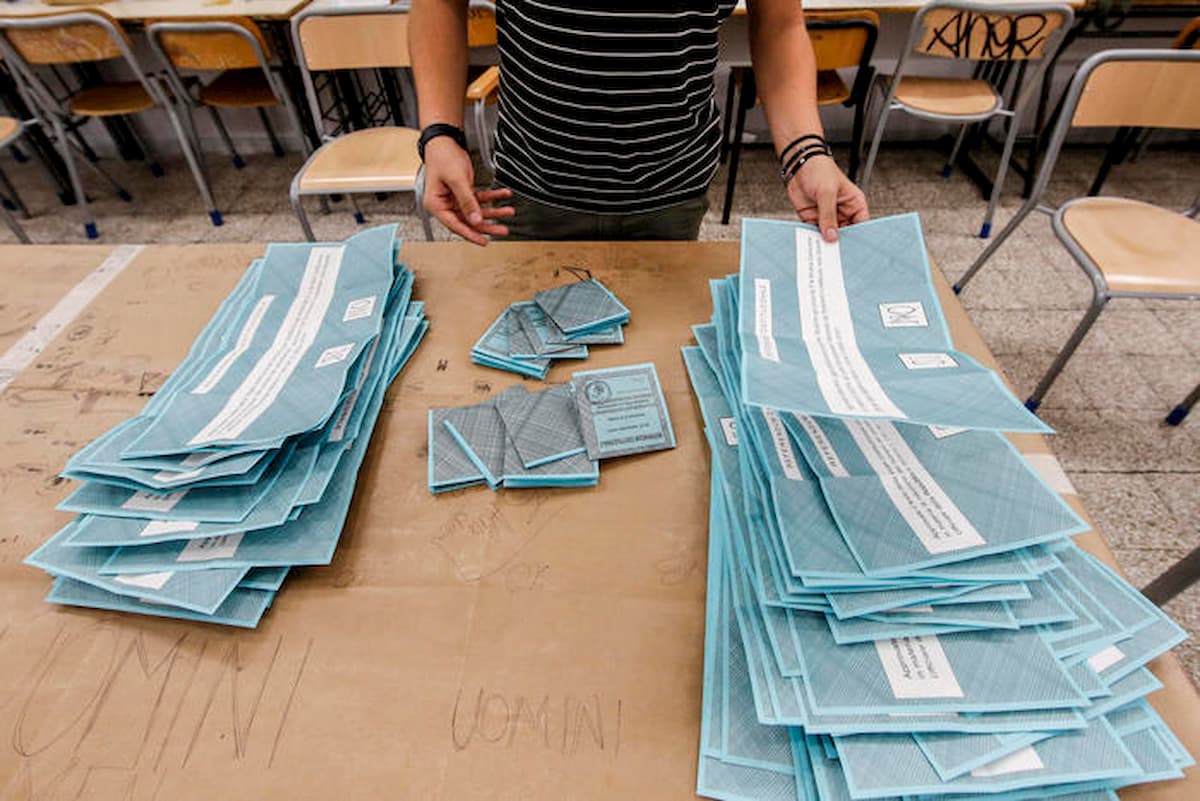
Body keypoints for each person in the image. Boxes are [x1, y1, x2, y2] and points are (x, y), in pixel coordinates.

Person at [410, 0, 869, 245]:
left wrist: (806, 152)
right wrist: (440, 132)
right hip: (530, 189)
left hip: (672, 193)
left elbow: (780, 24)